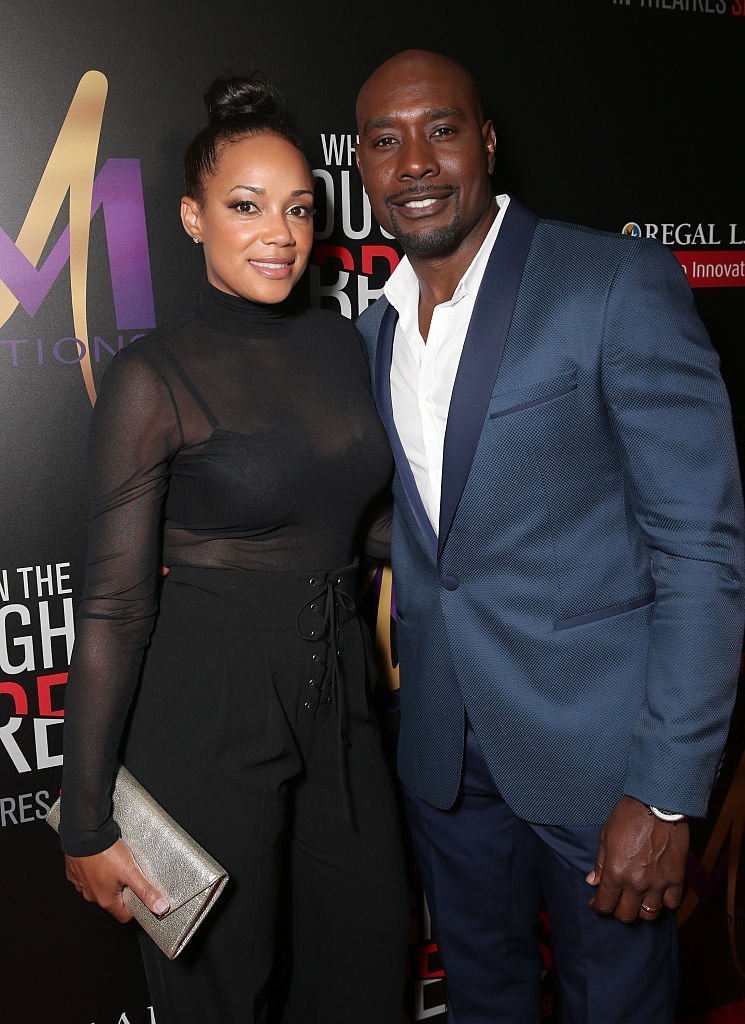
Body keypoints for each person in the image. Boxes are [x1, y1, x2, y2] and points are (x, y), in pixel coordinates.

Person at [353, 47, 745, 1024]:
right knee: (484, 1003)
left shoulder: (611, 281)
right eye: (383, 141)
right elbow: (435, 529)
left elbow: (701, 549)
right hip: (447, 765)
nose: (413, 163)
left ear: (485, 142)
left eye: (440, 130)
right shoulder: (373, 329)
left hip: (602, 762)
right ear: (359, 167)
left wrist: (662, 795)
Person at [58, 71, 410, 1024]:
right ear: (190, 216)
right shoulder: (150, 378)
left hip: (340, 703)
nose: (281, 233)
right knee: (221, 997)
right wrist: (82, 817)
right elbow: (117, 608)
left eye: (299, 208)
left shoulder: (341, 345)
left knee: (369, 974)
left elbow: (350, 522)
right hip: (207, 710)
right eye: (246, 206)